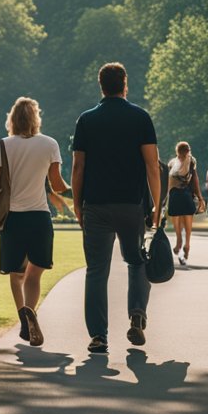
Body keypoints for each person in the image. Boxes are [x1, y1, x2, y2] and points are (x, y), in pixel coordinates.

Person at [72, 62, 161, 353]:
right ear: (124, 83)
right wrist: (157, 205)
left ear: (101, 85)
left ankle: (98, 335)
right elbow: (152, 166)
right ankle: (136, 314)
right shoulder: (140, 118)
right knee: (136, 261)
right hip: (131, 203)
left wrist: (77, 205)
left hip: (95, 203)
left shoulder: (86, 120)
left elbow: (78, 167)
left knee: (96, 270)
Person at [0, 96, 69, 347]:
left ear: (12, 119)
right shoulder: (49, 144)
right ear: (36, 118)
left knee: (16, 274)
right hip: (39, 216)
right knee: (34, 274)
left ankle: (24, 320)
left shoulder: (3, 145)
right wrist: (74, 188)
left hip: (13, 217)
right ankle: (31, 311)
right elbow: (57, 185)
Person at [168, 141, 205, 265]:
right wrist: (200, 197)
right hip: (186, 194)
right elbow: (195, 179)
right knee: (188, 222)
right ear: (188, 151)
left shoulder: (172, 163)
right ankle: (187, 244)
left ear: (177, 151)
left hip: (173, 194)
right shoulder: (191, 161)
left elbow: (168, 181)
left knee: (177, 220)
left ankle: (179, 241)